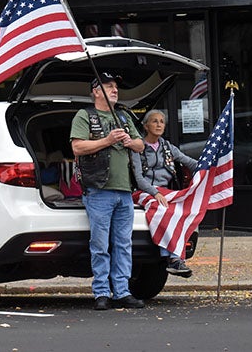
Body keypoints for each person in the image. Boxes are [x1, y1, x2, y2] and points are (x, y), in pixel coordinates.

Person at [70, 72, 145, 311]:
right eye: (109, 86)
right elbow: (78, 146)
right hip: (98, 190)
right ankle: (101, 292)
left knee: (123, 244)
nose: (115, 90)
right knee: (100, 244)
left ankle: (122, 291)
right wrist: (108, 139)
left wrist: (129, 142)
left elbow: (141, 145)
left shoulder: (123, 115)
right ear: (95, 91)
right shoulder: (85, 115)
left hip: (124, 191)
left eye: (116, 87)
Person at [131, 109, 198, 277]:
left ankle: (174, 259)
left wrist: (212, 167)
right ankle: (173, 258)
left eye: (162, 121)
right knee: (161, 209)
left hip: (165, 191)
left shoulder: (168, 147)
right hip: (143, 191)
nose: (159, 124)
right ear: (146, 126)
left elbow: (190, 162)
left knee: (181, 210)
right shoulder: (137, 147)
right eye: (154, 121)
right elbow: (138, 178)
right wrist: (154, 193)